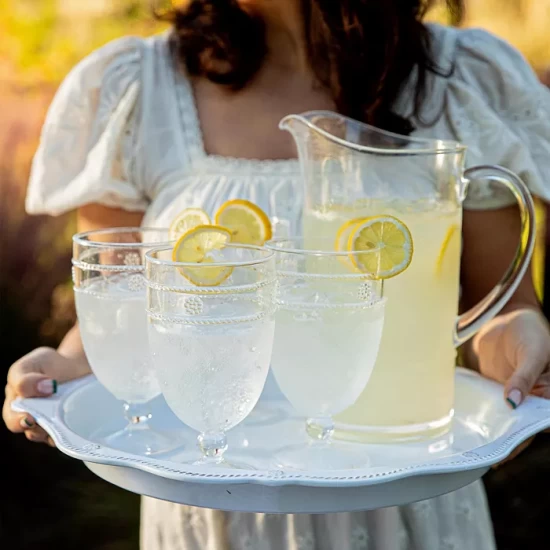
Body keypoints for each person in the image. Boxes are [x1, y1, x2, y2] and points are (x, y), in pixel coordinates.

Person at [4, 1, 550, 548]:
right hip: (208, 509)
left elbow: (499, 311)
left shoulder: (459, 78)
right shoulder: (135, 86)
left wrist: (514, 343)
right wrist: (72, 366)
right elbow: (123, 296)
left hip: (405, 494)